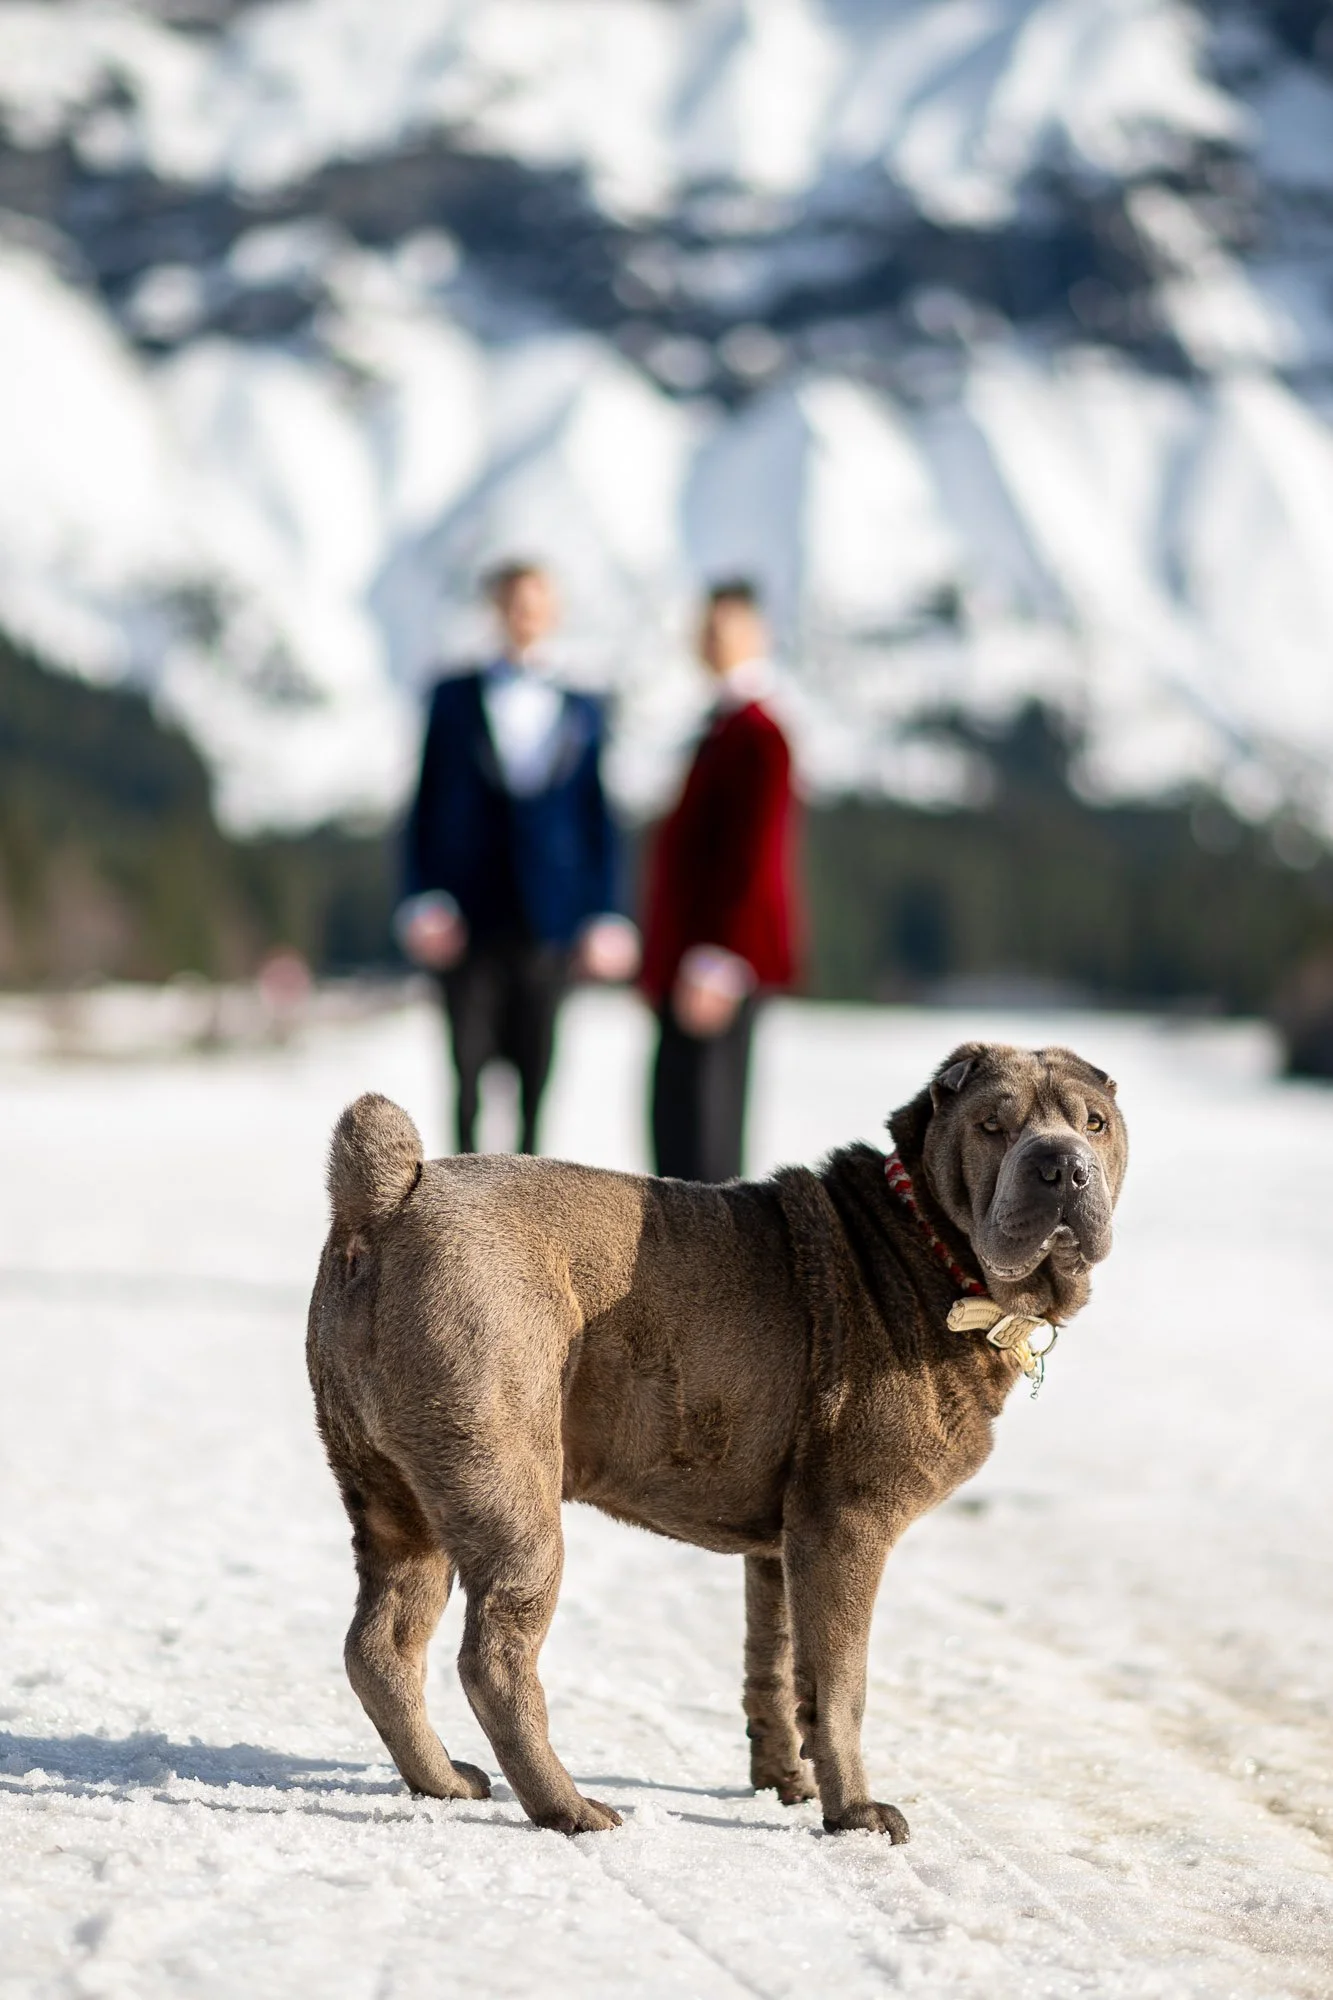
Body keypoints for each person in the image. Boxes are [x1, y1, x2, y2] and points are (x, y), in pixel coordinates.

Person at [396, 561, 638, 1155]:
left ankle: (526, 1222)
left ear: (552, 612)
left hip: (549, 923)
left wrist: (605, 911)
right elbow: (423, 804)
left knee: (537, 1083)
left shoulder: (585, 706)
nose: (524, 614)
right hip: (468, 919)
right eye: (513, 602)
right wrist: (421, 895)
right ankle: (455, 1219)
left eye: (536, 603)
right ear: (495, 610)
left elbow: (597, 814)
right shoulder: (452, 698)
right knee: (468, 1079)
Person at [640, 579, 801, 1182]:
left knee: (708, 1147)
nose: (711, 641)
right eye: (705, 629)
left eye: (725, 628)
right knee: (675, 1137)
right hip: (685, 966)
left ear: (759, 636)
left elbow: (756, 858)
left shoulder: (760, 735)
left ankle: (716, 1278)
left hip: (717, 971)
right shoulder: (715, 727)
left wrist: (721, 958)